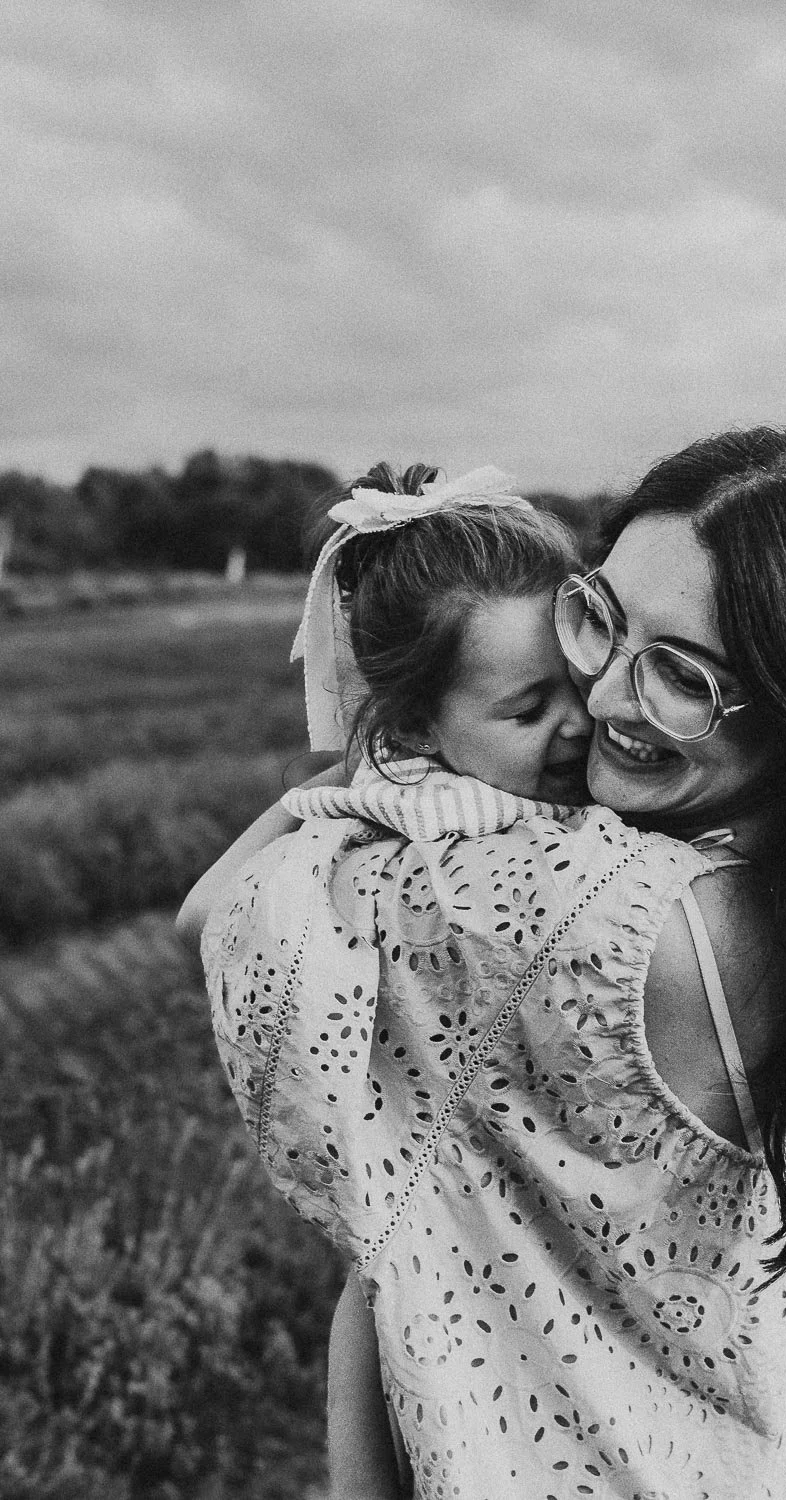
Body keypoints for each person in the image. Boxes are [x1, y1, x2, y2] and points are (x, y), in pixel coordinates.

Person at [187, 429, 786, 1500]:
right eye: (601, 619)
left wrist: (368, 765)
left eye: (679, 675)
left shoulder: (588, 912)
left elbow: (215, 912)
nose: (602, 698)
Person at [178, 459, 593, 1497]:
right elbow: (203, 918)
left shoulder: (421, 785)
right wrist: (331, 796)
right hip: (447, 1279)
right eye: (528, 707)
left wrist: (325, 785)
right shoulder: (435, 830)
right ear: (412, 729)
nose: (577, 727)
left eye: (582, 683)